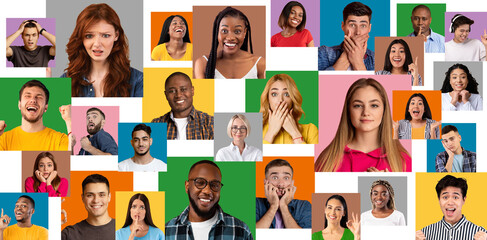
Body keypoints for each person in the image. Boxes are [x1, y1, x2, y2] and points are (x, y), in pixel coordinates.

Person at [315, 78, 411, 172]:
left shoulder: (404, 161)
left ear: (384, 110)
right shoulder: (327, 160)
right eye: (358, 105)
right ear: (348, 111)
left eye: (374, 105)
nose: (366, 112)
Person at [62, 3, 143, 97]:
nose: (97, 44)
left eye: (105, 35)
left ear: (116, 35)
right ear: (81, 38)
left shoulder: (138, 81)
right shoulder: (65, 81)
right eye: (89, 36)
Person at [165, 160, 253, 240]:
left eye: (214, 185)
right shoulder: (166, 231)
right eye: (200, 182)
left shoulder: (241, 230)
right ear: (187, 186)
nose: (207, 191)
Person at [194, 6, 265, 79]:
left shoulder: (260, 64)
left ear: (245, 32)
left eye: (237, 31)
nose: (230, 38)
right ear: (217, 32)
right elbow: (202, 91)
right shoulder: (203, 63)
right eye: (224, 31)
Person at [0, 79, 72, 151]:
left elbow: (72, 160)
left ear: (45, 107)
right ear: (19, 104)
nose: (33, 100)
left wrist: (70, 121)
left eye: (39, 97)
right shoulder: (3, 139)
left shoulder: (59, 140)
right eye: (27, 96)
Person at [416, 175, 487, 240]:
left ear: (464, 200)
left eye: (455, 197)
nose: (450, 202)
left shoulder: (481, 234)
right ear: (439, 199)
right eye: (445, 197)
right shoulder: (425, 234)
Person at [151, 72, 214, 140]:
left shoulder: (210, 123)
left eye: (183, 89)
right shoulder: (156, 124)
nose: (178, 95)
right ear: (166, 95)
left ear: (192, 91)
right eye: (172, 91)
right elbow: (155, 150)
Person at [260, 73, 318, 144]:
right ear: (268, 99)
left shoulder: (310, 130)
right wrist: (270, 133)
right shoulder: (255, 130)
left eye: (286, 94)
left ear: (293, 100)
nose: (280, 100)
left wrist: (295, 133)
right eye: (274, 94)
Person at [318, 2, 374, 71]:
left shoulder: (376, 59)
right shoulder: (323, 53)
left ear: (369, 28)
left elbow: (373, 82)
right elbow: (313, 81)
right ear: (343, 26)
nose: (358, 32)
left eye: (363, 26)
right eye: (352, 25)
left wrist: (358, 62)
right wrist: (347, 55)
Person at [256, 159, 311, 228]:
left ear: (292, 183)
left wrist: (283, 206)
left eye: (286, 178)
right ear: (265, 182)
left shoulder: (304, 206)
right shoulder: (255, 203)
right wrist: (273, 206)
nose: (281, 184)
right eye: (275, 178)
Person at [62, 174, 115, 240]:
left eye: (101, 195)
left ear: (109, 197)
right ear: (83, 198)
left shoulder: (124, 231)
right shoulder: (69, 234)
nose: (96, 200)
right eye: (90, 195)